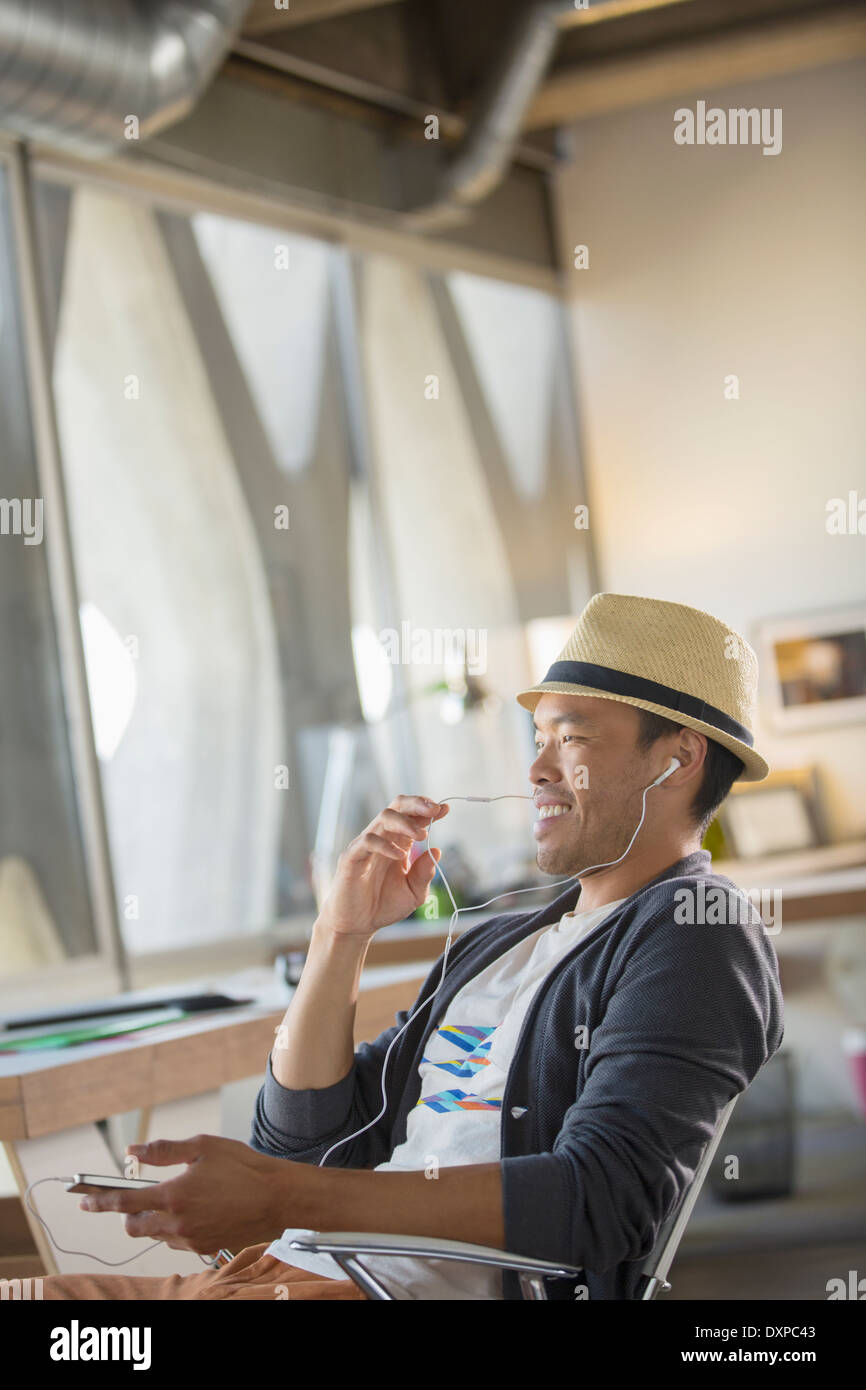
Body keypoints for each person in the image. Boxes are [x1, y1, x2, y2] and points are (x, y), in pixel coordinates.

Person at [43, 593, 784, 1301]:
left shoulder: (697, 928)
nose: (535, 771)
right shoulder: (499, 943)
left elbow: (603, 1200)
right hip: (273, 1272)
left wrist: (279, 1198)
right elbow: (302, 1147)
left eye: (573, 737)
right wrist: (339, 936)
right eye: (538, 742)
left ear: (678, 758)